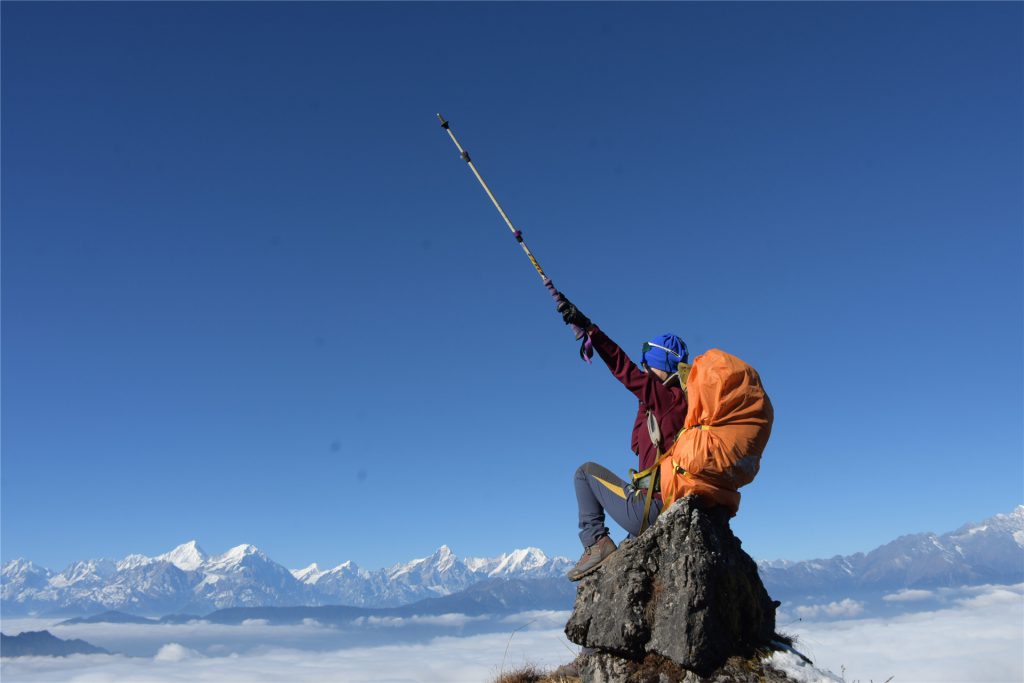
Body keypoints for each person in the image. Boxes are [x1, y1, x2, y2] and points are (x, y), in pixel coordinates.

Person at [556, 296, 689, 581]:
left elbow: (622, 368)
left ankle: (596, 543)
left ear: (660, 366)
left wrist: (590, 329)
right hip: (667, 505)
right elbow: (637, 445)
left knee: (584, 473)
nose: (643, 371)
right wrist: (645, 402)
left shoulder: (667, 398)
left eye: (647, 366)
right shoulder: (676, 403)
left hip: (651, 508)